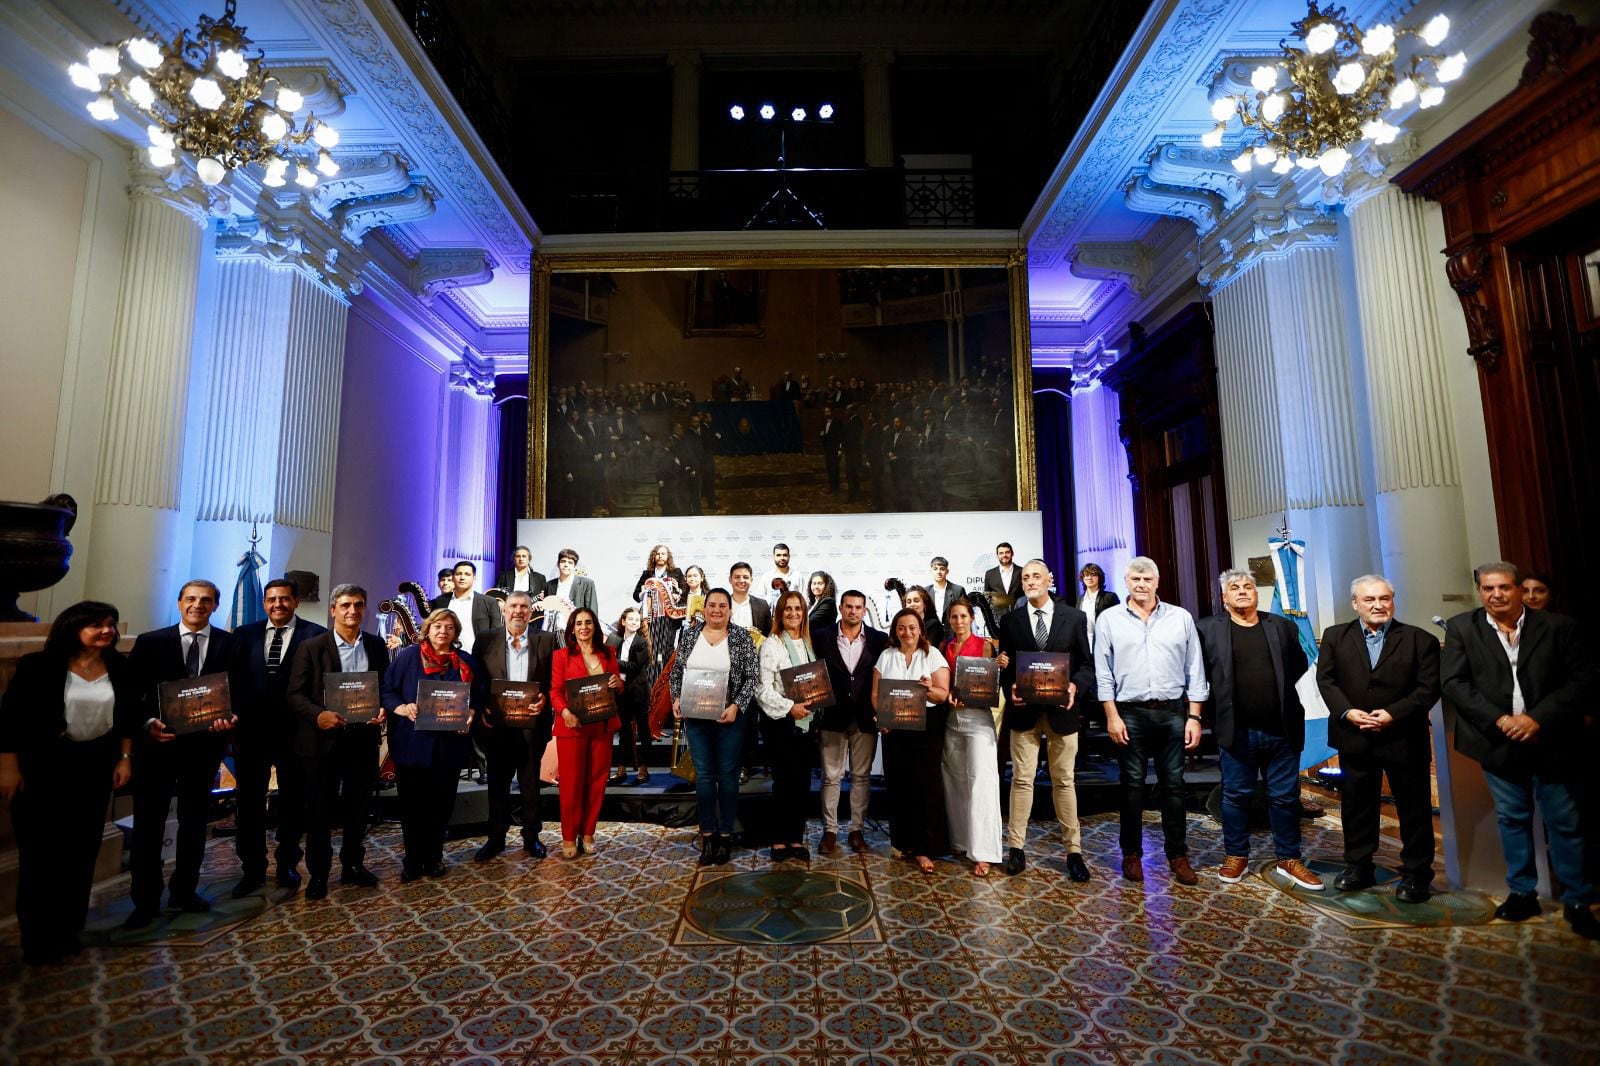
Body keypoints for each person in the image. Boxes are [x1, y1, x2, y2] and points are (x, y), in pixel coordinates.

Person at [1441, 563, 1598, 939]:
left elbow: (1580, 681)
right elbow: (1455, 683)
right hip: (1497, 742)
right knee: (1512, 819)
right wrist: (1500, 720)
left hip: (1552, 740)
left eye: (1504, 588)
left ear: (1519, 590)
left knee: (1564, 821)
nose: (1496, 595)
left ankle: (1577, 900)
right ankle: (1522, 892)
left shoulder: (1558, 627)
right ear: (1480, 591)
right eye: (1488, 588)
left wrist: (1535, 719)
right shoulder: (1463, 628)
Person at [0, 601, 136, 964]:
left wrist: (124, 758)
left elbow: (127, 719)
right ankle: (37, 938)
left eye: (110, 624)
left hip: (94, 770)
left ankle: (67, 930)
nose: (107, 631)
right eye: (97, 625)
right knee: (41, 856)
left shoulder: (119, 666)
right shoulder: (38, 666)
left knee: (80, 853)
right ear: (73, 628)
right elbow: (10, 719)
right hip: (43, 770)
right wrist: (8, 767)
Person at [1317, 574, 1441, 903]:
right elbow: (1326, 680)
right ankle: (1359, 867)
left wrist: (1393, 714)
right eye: (1370, 599)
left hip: (1402, 736)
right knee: (1357, 807)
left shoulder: (1420, 640)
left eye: (1384, 598)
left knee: (1414, 810)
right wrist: (1347, 711)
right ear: (1355, 604)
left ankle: (1417, 876)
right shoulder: (1334, 636)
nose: (1378, 605)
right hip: (1354, 736)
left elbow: (1427, 688)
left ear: (1393, 601)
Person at [1195, 569, 1320, 890]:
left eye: (1248, 586)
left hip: (1282, 730)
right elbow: (1198, 675)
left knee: (1284, 797)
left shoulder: (1281, 626)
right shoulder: (1207, 629)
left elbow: (1298, 667)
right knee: (1236, 796)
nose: (1242, 591)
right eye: (1234, 588)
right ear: (1223, 597)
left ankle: (1289, 858)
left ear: (1256, 593)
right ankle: (1236, 855)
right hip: (1236, 731)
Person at [124, 579, 237, 928]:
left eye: (205, 600)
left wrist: (231, 719)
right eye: (190, 599)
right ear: (179, 603)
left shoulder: (228, 644)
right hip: (157, 748)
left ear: (215, 606)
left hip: (202, 749)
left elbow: (238, 691)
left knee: (193, 823)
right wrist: (146, 723)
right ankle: (144, 901)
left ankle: (185, 891)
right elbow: (129, 695)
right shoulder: (151, 642)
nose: (197, 605)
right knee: (148, 825)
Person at [1095, 557, 1208, 886]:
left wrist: (1195, 717)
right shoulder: (1109, 620)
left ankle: (1178, 854)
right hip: (1128, 713)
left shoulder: (1181, 618)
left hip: (1173, 712)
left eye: (1147, 579)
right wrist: (1112, 716)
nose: (1141, 584)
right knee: (1131, 787)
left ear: (1157, 582)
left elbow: (1195, 670)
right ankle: (1131, 853)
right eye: (1134, 579)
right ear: (1126, 582)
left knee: (1173, 787)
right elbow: (1103, 673)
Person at [285, 584, 390, 898]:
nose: (352, 611)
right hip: (322, 742)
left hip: (361, 740)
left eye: (358, 604)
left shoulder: (375, 645)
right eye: (345, 605)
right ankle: (319, 874)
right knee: (320, 811)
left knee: (358, 808)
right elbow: (294, 695)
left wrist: (383, 707)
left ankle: (353, 865)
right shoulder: (311, 647)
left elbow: (383, 687)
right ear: (333, 610)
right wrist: (319, 715)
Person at [998, 559, 1096, 879]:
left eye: (1035, 576)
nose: (1030, 581)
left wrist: (1074, 686)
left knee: (1064, 781)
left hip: (1062, 712)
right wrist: (1008, 684)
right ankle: (1016, 849)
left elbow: (1086, 665)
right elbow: (1005, 665)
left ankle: (1074, 853)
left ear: (1049, 579)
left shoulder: (1075, 618)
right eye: (1025, 577)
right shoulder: (1010, 620)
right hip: (1024, 712)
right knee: (1022, 780)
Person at [228, 578, 324, 898]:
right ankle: (252, 868)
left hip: (296, 734)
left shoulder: (316, 635)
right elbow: (233, 683)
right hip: (251, 735)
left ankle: (287, 865)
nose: (277, 605)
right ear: (265, 603)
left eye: (284, 599)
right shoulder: (244, 635)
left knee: (293, 803)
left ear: (296, 601)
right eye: (271, 600)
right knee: (249, 803)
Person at [381, 608, 484, 881]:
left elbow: (480, 696)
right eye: (438, 626)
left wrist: (471, 713)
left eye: (449, 627)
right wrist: (401, 708)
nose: (443, 631)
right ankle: (412, 860)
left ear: (456, 633)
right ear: (428, 629)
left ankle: (434, 857)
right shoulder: (408, 657)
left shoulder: (466, 662)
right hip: (412, 744)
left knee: (441, 805)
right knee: (412, 806)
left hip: (448, 747)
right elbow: (386, 689)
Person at [671, 589, 761, 866]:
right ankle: (708, 836)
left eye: (723, 606)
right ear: (704, 608)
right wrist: (676, 697)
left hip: (729, 719)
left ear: (730, 610)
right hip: (696, 719)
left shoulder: (741, 637)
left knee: (728, 777)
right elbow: (676, 672)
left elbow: (751, 676)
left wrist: (736, 706)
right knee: (705, 777)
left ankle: (725, 836)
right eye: (712, 605)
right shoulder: (689, 636)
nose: (717, 610)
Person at [471, 591, 557, 861]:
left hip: (532, 725)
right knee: (497, 784)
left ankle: (531, 837)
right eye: (513, 606)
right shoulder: (486, 639)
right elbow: (477, 678)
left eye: (524, 607)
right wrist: (482, 704)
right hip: (497, 725)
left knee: (531, 785)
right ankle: (496, 838)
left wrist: (545, 698)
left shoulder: (546, 640)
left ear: (531, 612)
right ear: (504, 611)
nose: (518, 611)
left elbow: (555, 680)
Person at [813, 590, 890, 855]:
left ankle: (856, 829)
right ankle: (830, 831)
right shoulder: (821, 636)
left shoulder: (880, 640)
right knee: (832, 777)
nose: (853, 611)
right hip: (832, 718)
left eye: (858, 607)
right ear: (840, 608)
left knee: (861, 777)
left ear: (864, 610)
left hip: (865, 718)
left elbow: (885, 677)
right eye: (849, 606)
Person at [874, 608, 950, 872]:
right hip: (894, 730)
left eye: (912, 627)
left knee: (925, 787)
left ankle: (925, 848)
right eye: (901, 627)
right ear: (895, 630)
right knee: (898, 786)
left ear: (920, 629)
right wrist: (883, 718)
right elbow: (875, 694)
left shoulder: (933, 655)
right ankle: (903, 842)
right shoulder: (886, 656)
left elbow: (942, 695)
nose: (907, 632)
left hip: (926, 729)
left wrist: (928, 689)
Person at [549, 607, 624, 858]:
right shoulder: (561, 656)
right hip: (572, 727)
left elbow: (617, 686)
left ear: (595, 626)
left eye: (588, 623)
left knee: (597, 781)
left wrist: (617, 683)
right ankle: (569, 836)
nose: (584, 627)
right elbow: (555, 692)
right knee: (570, 784)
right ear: (572, 628)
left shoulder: (608, 653)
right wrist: (565, 713)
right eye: (579, 623)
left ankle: (589, 832)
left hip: (602, 727)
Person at [756, 590, 825, 861]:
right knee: (783, 783)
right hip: (781, 723)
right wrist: (789, 708)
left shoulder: (808, 643)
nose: (793, 614)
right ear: (780, 613)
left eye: (798, 609)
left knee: (802, 783)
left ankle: (796, 838)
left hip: (806, 725)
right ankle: (779, 840)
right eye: (788, 609)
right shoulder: (772, 644)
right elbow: (762, 689)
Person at [941, 599, 1003, 877]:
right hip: (952, 719)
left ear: (972, 617)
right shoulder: (945, 647)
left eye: (963, 616)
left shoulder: (987, 645)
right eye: (954, 617)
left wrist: (1000, 665)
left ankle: (984, 852)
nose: (959, 621)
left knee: (982, 783)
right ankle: (961, 841)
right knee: (954, 780)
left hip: (979, 719)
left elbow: (993, 681)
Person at [606, 606, 652, 784]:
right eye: (630, 619)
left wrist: (613, 661)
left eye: (637, 620)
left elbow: (634, 667)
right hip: (619, 692)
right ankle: (621, 769)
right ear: (623, 621)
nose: (634, 622)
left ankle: (644, 768)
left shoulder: (641, 642)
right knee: (623, 732)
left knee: (643, 730)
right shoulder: (615, 639)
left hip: (638, 692)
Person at [429, 561, 498, 651]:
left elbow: (497, 633)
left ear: (474, 578)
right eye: (458, 574)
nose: (462, 577)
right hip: (447, 657)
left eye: (467, 574)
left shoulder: (489, 602)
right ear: (453, 578)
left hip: (478, 658)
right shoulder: (440, 601)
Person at [542, 548, 599, 628]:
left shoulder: (587, 584)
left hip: (576, 632)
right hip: (552, 633)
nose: (566, 565)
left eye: (570, 562)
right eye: (563, 561)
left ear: (574, 566)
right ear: (558, 564)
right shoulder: (549, 585)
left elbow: (592, 612)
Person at [1078, 563, 1120, 650]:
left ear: (1099, 578)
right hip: (1084, 644)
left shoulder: (1110, 597)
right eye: (1086, 575)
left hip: (1103, 643)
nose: (1089, 578)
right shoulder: (1080, 599)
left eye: (1093, 575)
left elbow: (1117, 622)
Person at [727, 561, 773, 634]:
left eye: (745, 577)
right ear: (730, 579)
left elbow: (769, 635)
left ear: (751, 580)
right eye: (737, 577)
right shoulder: (722, 605)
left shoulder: (762, 605)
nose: (741, 580)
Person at [901, 584, 945, 649]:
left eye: (916, 601)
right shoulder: (901, 625)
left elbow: (927, 648)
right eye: (909, 602)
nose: (912, 604)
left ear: (925, 604)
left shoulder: (934, 625)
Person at [984, 542, 1022, 611]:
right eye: (1001, 553)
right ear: (997, 555)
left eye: (1007, 552)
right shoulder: (989, 574)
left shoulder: (1022, 571)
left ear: (1012, 553)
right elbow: (987, 597)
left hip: (1019, 614)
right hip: (998, 617)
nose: (1004, 555)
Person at [926, 557, 961, 625]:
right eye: (935, 569)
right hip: (931, 633)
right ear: (931, 571)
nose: (938, 572)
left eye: (942, 569)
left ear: (947, 571)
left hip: (953, 633)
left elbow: (964, 614)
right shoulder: (926, 591)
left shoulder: (958, 590)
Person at [819, 405, 844, 495]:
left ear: (832, 412)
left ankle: (836, 489)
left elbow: (840, 437)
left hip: (834, 449)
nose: (826, 414)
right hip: (827, 449)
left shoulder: (838, 423)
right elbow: (823, 433)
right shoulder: (824, 422)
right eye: (825, 412)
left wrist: (840, 449)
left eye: (828, 412)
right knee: (829, 469)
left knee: (835, 469)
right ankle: (831, 488)